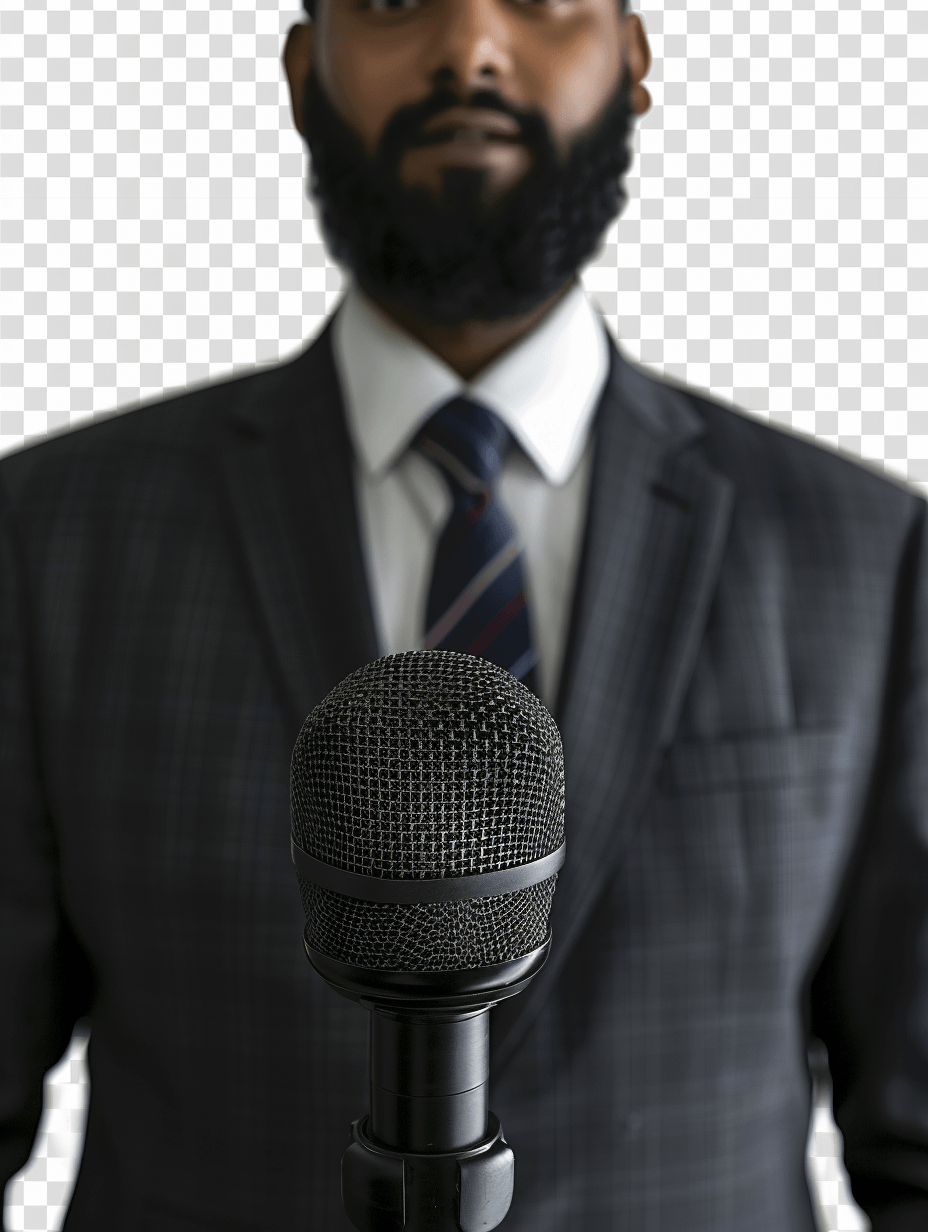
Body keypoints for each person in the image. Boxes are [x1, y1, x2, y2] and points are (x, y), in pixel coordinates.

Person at [1, 0, 926, 1226]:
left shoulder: (862, 548)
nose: (471, 48)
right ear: (300, 70)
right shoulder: (50, 533)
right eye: (394, 1)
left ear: (632, 59)